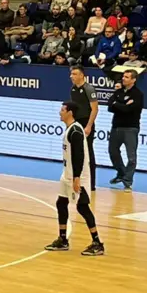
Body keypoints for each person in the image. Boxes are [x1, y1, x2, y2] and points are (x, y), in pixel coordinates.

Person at [43, 103, 105, 256]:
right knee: (61, 203)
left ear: (70, 112)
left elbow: (80, 156)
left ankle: (97, 242)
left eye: (62, 110)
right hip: (68, 175)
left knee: (82, 207)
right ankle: (63, 240)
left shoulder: (76, 131)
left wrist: (77, 178)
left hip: (78, 176)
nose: (60, 112)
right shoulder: (70, 129)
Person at [107, 69, 143, 190]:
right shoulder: (118, 92)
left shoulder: (138, 94)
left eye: (127, 77)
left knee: (131, 157)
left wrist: (117, 104)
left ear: (133, 80)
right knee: (113, 152)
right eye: (123, 76)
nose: (123, 78)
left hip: (131, 128)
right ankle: (121, 173)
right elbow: (110, 106)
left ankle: (127, 180)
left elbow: (129, 110)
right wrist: (123, 104)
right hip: (116, 126)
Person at [68, 65, 99, 192]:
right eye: (71, 74)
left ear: (81, 75)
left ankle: (91, 184)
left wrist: (89, 126)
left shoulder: (88, 88)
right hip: (76, 122)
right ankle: (76, 179)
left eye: (74, 74)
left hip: (86, 121)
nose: (71, 76)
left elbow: (95, 109)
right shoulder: (73, 89)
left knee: (88, 152)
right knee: (76, 151)